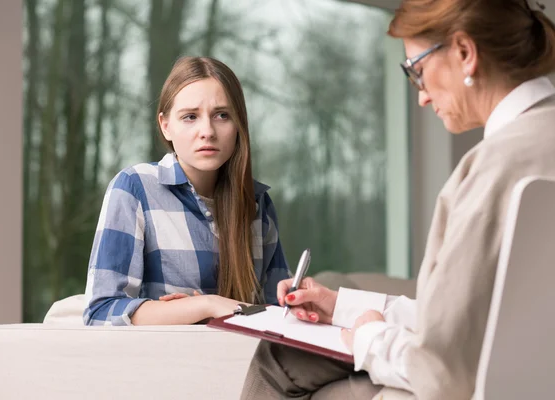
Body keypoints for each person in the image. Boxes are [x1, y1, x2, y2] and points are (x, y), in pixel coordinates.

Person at [240, 0, 555, 399]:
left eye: (417, 71)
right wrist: (343, 307)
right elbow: (482, 320)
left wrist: (370, 336)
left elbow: (442, 374)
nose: (421, 97)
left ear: (464, 52)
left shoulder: (492, 170)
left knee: (278, 359)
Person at [83, 56, 290, 326]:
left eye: (222, 115)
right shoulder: (135, 187)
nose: (207, 131)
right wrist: (206, 304)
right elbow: (100, 312)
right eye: (190, 117)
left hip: (241, 363)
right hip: (164, 363)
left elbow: (277, 319)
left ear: (239, 124)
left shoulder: (257, 203)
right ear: (165, 125)